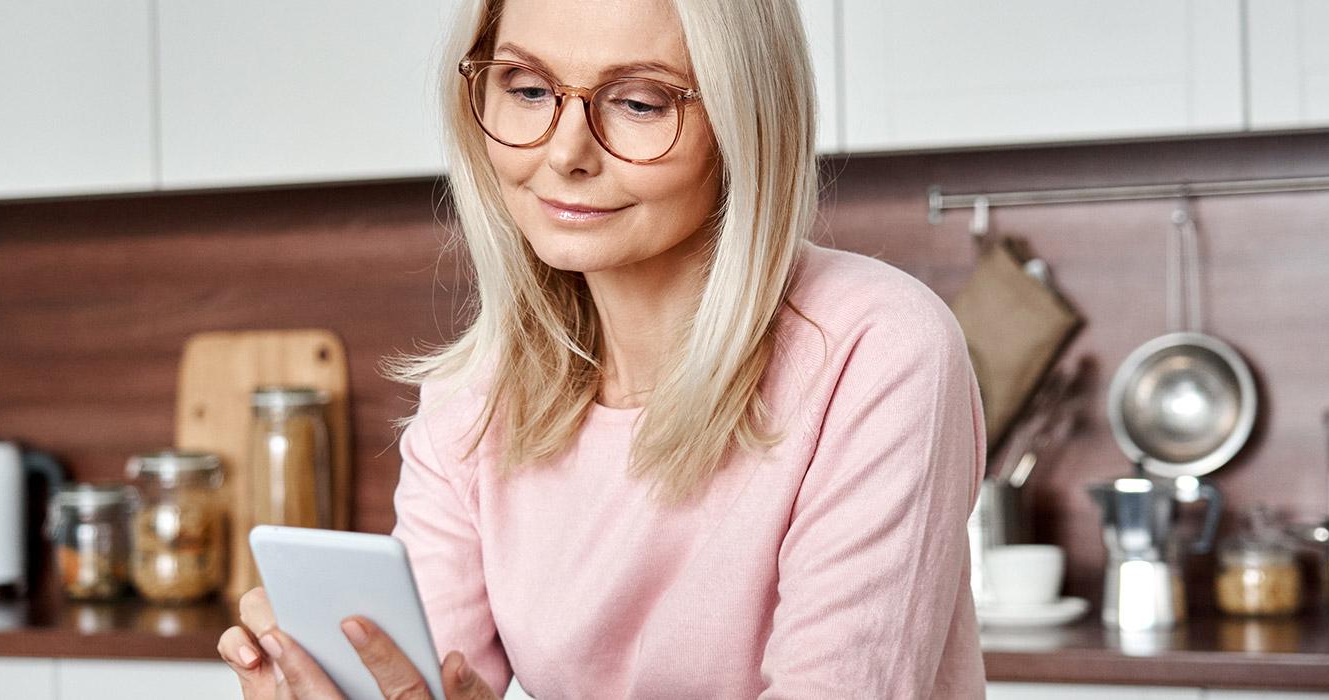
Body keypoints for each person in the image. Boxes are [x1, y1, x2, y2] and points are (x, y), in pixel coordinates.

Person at [218, 0, 986, 696]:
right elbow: (425, 679)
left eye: (640, 101)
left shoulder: (876, 349)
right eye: (526, 89)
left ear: (747, 119)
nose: (566, 152)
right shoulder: (477, 395)